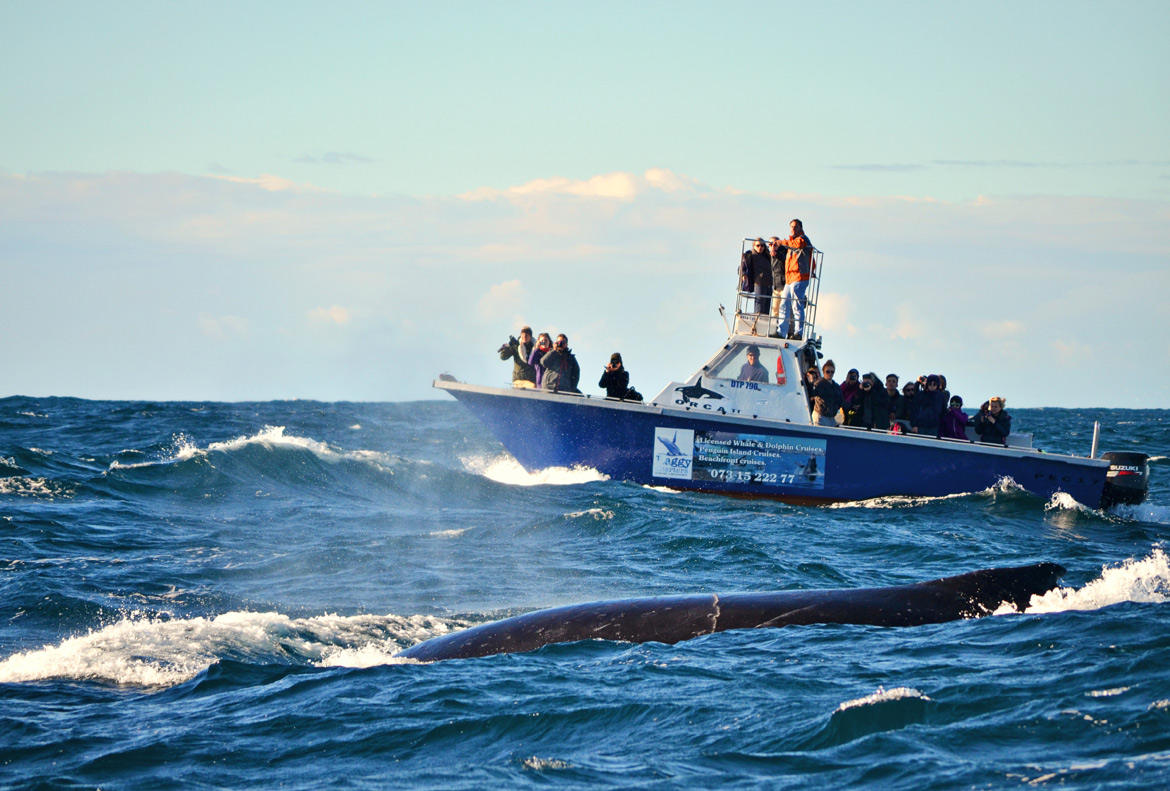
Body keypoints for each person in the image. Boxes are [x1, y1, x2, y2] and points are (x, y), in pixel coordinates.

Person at [770, 219, 814, 339]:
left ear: (801, 228)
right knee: (784, 304)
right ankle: (781, 332)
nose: (793, 229)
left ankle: (798, 333)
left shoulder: (803, 240)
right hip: (790, 279)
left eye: (795, 227)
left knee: (797, 305)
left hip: (799, 277)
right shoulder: (791, 242)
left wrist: (782, 242)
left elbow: (798, 245)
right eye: (791, 227)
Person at [739, 238, 773, 314]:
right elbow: (741, 267)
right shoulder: (750, 255)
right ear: (754, 246)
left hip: (769, 284)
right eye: (758, 245)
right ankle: (757, 322)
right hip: (759, 283)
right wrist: (744, 275)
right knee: (759, 306)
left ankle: (764, 323)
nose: (760, 247)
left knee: (766, 308)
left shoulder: (767, 256)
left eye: (762, 245)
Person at [812, 359, 843, 426]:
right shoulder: (819, 384)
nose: (830, 373)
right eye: (827, 371)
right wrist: (810, 382)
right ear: (823, 372)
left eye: (832, 372)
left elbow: (841, 401)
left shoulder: (836, 386)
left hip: (831, 417)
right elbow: (812, 393)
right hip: (820, 416)